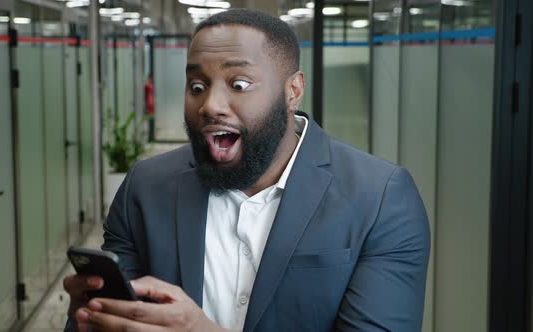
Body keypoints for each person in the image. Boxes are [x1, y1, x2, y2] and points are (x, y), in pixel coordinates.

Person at [63, 8, 430, 332]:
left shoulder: (380, 198)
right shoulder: (145, 187)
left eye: (239, 84)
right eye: (197, 86)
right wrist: (94, 320)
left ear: (293, 90)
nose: (211, 105)